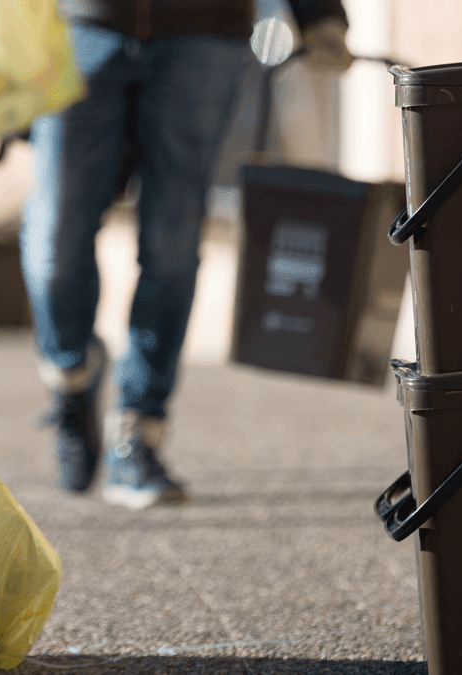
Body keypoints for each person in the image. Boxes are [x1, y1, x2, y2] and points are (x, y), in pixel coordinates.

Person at [20, 0, 352, 509]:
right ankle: (70, 375)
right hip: (78, 25)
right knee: (54, 243)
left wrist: (319, 14)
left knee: (171, 244)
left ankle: (139, 435)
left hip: (204, 30)